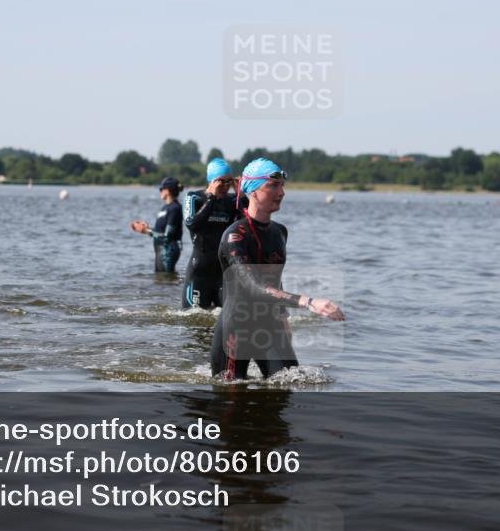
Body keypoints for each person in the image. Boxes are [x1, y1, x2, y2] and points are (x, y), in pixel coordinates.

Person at [211, 158, 345, 380]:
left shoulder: (280, 232)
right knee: (231, 409)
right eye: (272, 186)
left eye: (282, 185)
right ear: (253, 191)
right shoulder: (234, 236)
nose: (281, 192)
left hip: (271, 326)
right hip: (236, 330)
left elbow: (274, 278)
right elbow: (253, 286)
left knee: (287, 392)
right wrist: (308, 302)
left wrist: (283, 317)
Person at [181, 158, 243, 309]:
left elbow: (247, 224)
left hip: (223, 273)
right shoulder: (194, 198)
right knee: (195, 324)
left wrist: (240, 195)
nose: (225, 186)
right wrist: (212, 198)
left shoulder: (232, 201)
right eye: (221, 181)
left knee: (230, 321)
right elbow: (192, 224)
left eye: (229, 182)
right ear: (211, 180)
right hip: (199, 273)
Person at [130, 177, 184, 273]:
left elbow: (168, 236)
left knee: (165, 280)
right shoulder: (165, 208)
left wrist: (146, 231)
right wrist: (146, 228)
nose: (160, 192)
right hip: (160, 249)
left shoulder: (175, 208)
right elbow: (160, 232)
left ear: (167, 190)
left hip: (168, 251)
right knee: (160, 280)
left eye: (161, 189)